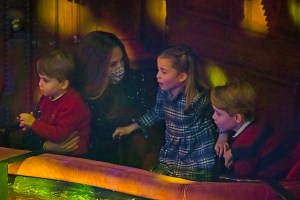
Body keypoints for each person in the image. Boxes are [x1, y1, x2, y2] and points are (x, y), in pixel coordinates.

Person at [113, 44, 217, 181]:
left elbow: (217, 119)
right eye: (158, 70)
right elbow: (156, 112)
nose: (157, 76)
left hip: (196, 159)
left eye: (164, 72)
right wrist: (130, 128)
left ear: (181, 77)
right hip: (172, 155)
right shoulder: (163, 91)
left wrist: (223, 136)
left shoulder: (198, 100)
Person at [75, 31, 160, 167]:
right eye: (113, 64)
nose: (120, 68)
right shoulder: (75, 93)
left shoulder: (132, 82)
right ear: (94, 67)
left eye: (121, 61)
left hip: (129, 165)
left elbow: (153, 120)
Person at [211, 80, 292, 179]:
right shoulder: (258, 123)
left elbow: (242, 182)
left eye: (218, 114)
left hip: (270, 187)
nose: (213, 116)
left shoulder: (243, 147)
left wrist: (237, 154)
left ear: (237, 118)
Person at [18, 49, 91, 157]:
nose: (40, 84)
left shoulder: (73, 104)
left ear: (63, 84)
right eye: (40, 78)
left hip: (73, 157)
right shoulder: (47, 97)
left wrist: (34, 123)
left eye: (45, 80)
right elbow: (43, 121)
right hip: (52, 153)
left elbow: (59, 135)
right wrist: (31, 124)